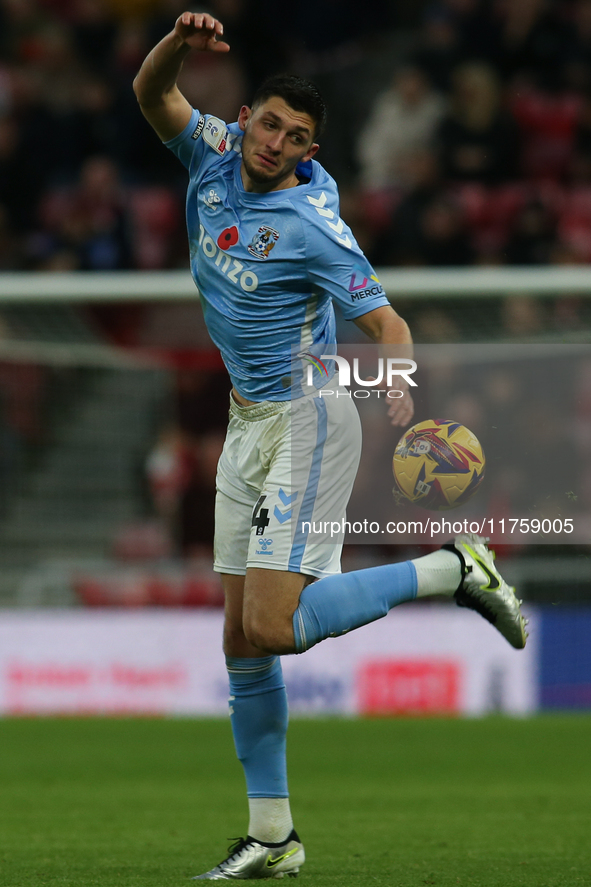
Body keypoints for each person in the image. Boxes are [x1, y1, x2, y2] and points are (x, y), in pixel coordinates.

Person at [133, 12, 527, 881]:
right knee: (241, 638)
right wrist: (177, 41)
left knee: (271, 624)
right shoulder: (212, 152)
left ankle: (452, 570)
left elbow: (386, 320)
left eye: (297, 136)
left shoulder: (311, 220)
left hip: (309, 415)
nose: (276, 142)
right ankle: (273, 837)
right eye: (270, 123)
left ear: (310, 149)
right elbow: (150, 90)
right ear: (248, 120)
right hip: (246, 421)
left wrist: (392, 378)